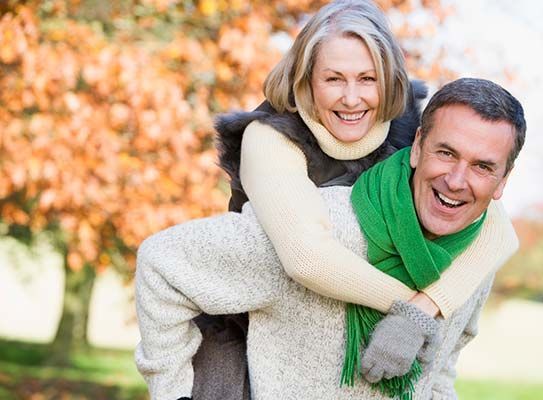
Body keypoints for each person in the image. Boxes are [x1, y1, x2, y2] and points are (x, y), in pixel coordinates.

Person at [178, 2, 517, 399]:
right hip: (247, 327)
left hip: (344, 336)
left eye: (367, 78)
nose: (352, 98)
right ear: (307, 79)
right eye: (334, 79)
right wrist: (409, 309)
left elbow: (497, 230)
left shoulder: (411, 133)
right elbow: (306, 256)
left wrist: (425, 310)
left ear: (388, 80)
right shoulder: (269, 138)